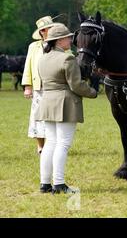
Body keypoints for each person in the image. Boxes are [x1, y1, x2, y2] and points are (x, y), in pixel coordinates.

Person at [36, 24, 97, 194]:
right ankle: (59, 183)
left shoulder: (43, 58)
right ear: (59, 40)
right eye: (68, 37)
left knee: (50, 143)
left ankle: (45, 183)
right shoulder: (67, 59)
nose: (71, 40)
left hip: (48, 102)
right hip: (65, 103)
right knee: (63, 144)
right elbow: (76, 85)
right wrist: (92, 92)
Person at [22, 16, 56, 155]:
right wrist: (28, 86)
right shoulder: (33, 47)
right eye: (47, 29)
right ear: (42, 31)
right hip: (39, 87)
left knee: (54, 117)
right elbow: (28, 66)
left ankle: (52, 144)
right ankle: (40, 145)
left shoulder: (60, 44)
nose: (50, 31)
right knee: (37, 117)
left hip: (55, 87)